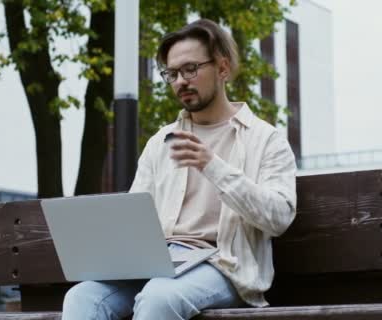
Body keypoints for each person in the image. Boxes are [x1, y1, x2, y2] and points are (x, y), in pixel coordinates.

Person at [62, 18, 297, 320]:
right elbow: (136, 215)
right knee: (82, 297)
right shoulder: (161, 141)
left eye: (190, 69)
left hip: (222, 265)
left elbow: (279, 216)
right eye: (171, 74)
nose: (180, 81)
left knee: (159, 297)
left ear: (223, 69)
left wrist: (212, 166)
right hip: (159, 264)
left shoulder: (266, 139)